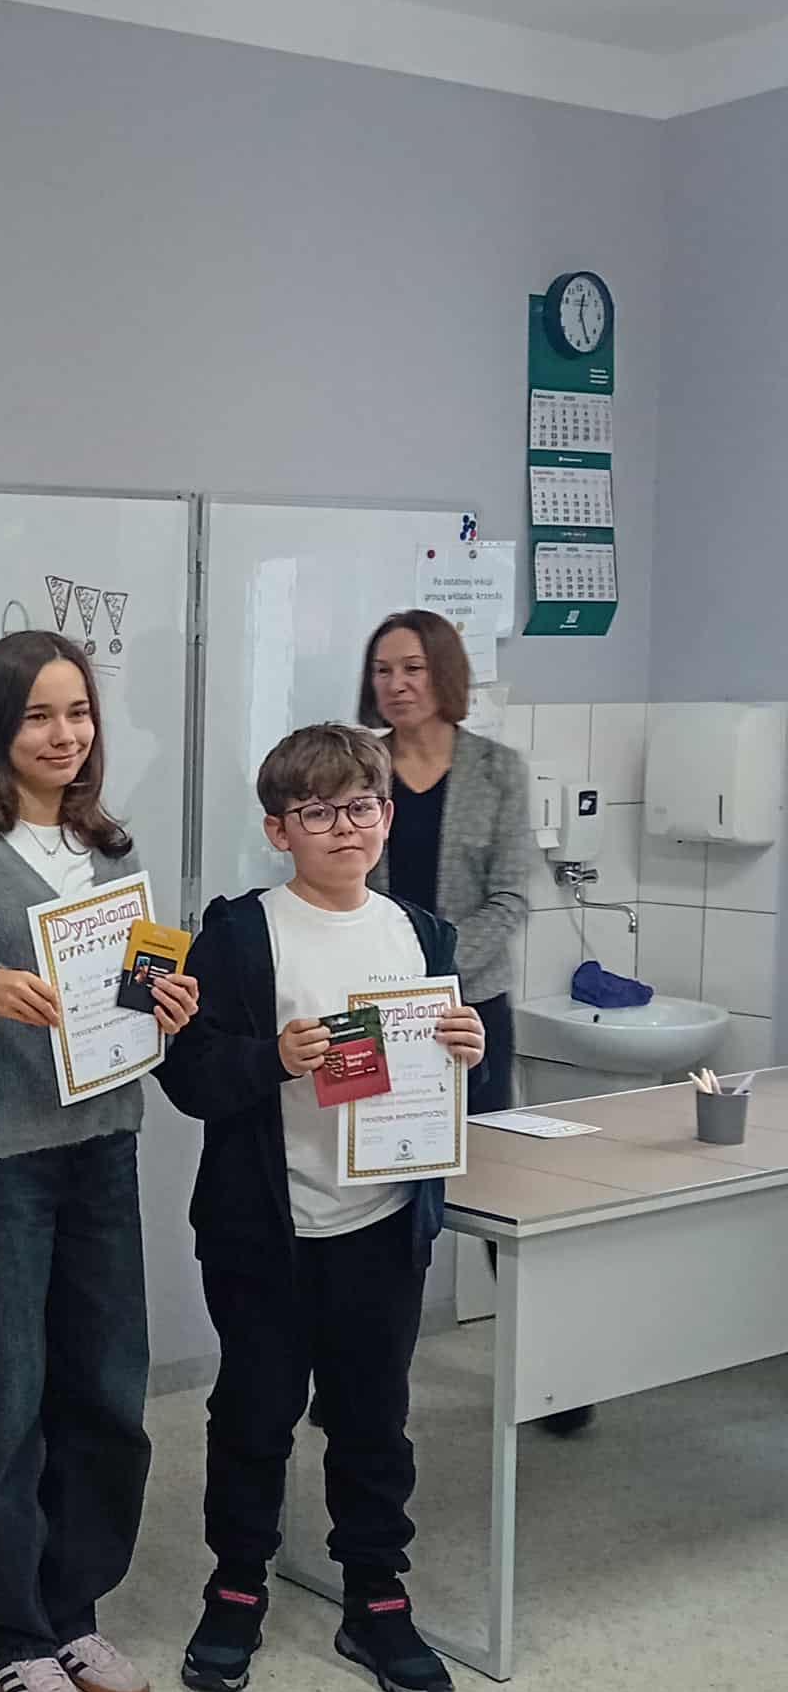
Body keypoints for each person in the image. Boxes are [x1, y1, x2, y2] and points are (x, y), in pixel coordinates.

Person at [0, 631, 198, 1692]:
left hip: (102, 1142)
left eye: (77, 713)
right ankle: (8, 1631)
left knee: (107, 1387)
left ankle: (74, 1606)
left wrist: (167, 1010)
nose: (63, 736)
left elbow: (131, 994)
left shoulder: (110, 846)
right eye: (38, 716)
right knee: (5, 1395)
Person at [157, 723, 486, 1692]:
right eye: (316, 811)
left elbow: (438, 1078)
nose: (344, 826)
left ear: (387, 815)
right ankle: (235, 1586)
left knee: (372, 1417)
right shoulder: (239, 933)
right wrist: (272, 1058)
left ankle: (375, 1596)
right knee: (254, 1413)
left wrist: (466, 1048)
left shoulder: (420, 935)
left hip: (380, 1223)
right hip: (264, 1228)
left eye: (362, 806)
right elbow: (189, 1073)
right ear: (278, 830)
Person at [356, 612, 577, 1432]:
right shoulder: (359, 764)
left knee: (494, 1190)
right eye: (383, 670)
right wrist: (393, 978)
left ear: (444, 673)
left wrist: (434, 969)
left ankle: (553, 1374)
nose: (397, 684)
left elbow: (511, 898)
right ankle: (355, 1376)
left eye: (412, 667)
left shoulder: (496, 770)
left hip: (470, 1012)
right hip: (375, 1009)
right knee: (371, 1193)